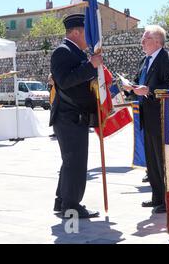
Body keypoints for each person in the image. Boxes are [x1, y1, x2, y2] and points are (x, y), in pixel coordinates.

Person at [123, 25, 169, 214]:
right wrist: (130, 87)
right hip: (145, 117)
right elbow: (138, 81)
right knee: (152, 161)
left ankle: (167, 200)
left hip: (162, 117)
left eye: (145, 38)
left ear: (157, 41)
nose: (142, 42)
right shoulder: (144, 60)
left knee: (162, 160)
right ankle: (157, 197)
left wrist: (149, 91)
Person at [50, 14, 103, 219]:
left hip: (74, 116)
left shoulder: (75, 52)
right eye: (85, 34)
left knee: (70, 161)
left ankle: (62, 200)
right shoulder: (63, 52)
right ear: (76, 32)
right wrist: (91, 65)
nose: (87, 40)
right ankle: (71, 206)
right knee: (76, 162)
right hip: (68, 117)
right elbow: (65, 81)